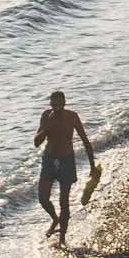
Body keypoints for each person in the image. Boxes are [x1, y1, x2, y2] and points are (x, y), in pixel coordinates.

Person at [34, 91, 95, 246]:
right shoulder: (46, 116)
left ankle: (62, 237)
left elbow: (85, 141)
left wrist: (92, 167)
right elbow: (36, 142)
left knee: (64, 201)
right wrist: (46, 128)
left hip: (66, 160)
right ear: (50, 105)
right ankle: (55, 219)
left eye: (60, 104)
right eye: (54, 105)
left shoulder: (72, 117)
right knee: (43, 198)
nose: (57, 107)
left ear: (65, 103)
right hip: (49, 159)